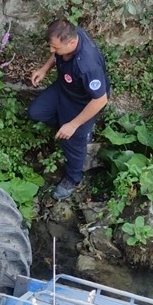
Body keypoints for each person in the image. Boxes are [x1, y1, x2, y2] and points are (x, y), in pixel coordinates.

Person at [28, 18, 110, 200]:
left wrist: (73, 125)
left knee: (72, 140)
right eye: (51, 46)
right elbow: (57, 54)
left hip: (83, 102)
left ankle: (73, 179)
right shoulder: (70, 34)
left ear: (72, 43)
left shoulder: (88, 66)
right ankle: (72, 129)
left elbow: (100, 100)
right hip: (63, 89)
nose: (52, 51)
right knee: (36, 112)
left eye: (55, 48)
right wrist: (44, 69)